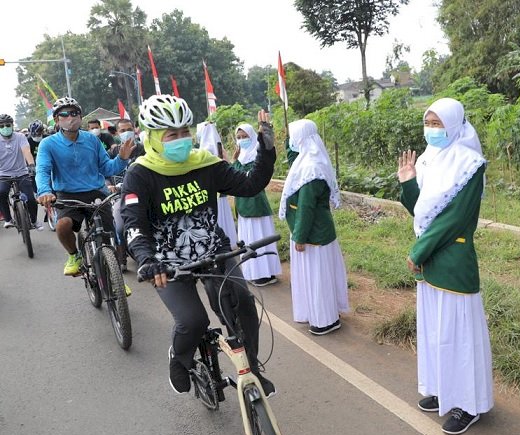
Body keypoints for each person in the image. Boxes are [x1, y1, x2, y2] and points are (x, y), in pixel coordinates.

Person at [121, 94, 277, 396]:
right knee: (193, 321)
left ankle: (253, 368)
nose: (181, 140)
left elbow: (249, 184)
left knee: (243, 304)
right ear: (153, 137)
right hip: (165, 262)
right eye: (172, 135)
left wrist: (266, 150)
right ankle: (179, 359)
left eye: (184, 132)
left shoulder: (206, 163)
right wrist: (146, 259)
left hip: (213, 250)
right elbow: (133, 224)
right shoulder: (139, 175)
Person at [397, 97, 493, 435]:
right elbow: (420, 211)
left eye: (438, 124)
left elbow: (454, 219)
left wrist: (420, 250)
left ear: (454, 125)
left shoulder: (470, 163)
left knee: (459, 335)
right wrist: (409, 180)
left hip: (452, 259)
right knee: (437, 332)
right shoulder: (428, 160)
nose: (432, 130)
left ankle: (469, 405)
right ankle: (443, 390)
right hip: (431, 261)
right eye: (429, 123)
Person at [36, 97, 132, 275]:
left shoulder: (91, 140)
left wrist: (122, 159)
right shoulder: (48, 144)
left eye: (74, 113)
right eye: (64, 114)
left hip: (96, 192)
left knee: (109, 238)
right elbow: (42, 170)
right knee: (62, 226)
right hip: (67, 195)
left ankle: (116, 279)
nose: (70, 117)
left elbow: (107, 168)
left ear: (81, 117)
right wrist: (44, 191)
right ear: (57, 120)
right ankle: (74, 255)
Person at [279, 119, 349, 335]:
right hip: (317, 232)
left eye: (293, 137)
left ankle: (325, 320)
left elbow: (306, 208)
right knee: (321, 278)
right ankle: (325, 315)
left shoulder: (310, 169)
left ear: (301, 138)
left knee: (318, 279)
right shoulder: (308, 160)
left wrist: (299, 237)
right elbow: (293, 157)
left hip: (313, 234)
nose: (291, 141)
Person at [232, 123, 282, 286]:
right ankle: (255, 273)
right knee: (249, 238)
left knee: (261, 238)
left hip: (256, 204)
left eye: (244, 137)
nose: (241, 140)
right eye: (238, 138)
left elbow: (260, 171)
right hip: (243, 205)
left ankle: (266, 273)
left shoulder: (257, 156)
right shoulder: (239, 157)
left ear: (252, 137)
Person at [107, 118, 146, 271]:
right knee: (119, 227)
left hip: (144, 195)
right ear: (117, 133)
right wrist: (110, 186)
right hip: (120, 198)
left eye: (129, 129)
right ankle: (121, 257)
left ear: (135, 129)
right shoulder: (112, 153)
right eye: (122, 130)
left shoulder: (145, 150)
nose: (126, 132)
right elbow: (103, 173)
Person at [196, 121, 238, 249]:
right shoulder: (218, 147)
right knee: (223, 215)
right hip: (221, 191)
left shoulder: (203, 151)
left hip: (210, 192)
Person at [0, 113, 41, 230]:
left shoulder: (20, 137)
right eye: (1, 126)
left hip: (21, 173)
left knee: (31, 199)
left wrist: (32, 165)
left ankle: (34, 220)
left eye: (7, 125)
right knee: (1, 193)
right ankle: (8, 219)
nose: (5, 128)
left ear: (12, 125)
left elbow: (26, 151)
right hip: (3, 175)